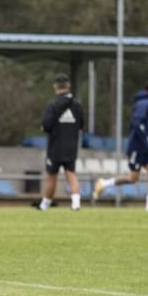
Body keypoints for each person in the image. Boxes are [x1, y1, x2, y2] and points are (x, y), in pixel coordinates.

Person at [93, 79, 148, 211]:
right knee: (133, 178)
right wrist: (145, 139)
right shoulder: (144, 104)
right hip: (137, 146)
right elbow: (136, 123)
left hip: (146, 147)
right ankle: (104, 183)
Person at [37, 73, 85, 211]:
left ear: (55, 87)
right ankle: (76, 204)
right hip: (71, 145)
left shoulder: (53, 105)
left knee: (52, 176)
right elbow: (81, 124)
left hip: (55, 146)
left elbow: (46, 125)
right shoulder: (77, 105)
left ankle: (44, 205)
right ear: (68, 86)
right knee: (71, 174)